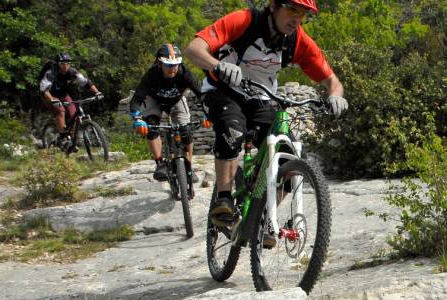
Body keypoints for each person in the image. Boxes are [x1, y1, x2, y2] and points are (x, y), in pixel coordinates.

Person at [185, 0, 347, 237]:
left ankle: (261, 219)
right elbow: (193, 50)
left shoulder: (297, 40)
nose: (296, 19)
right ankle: (224, 199)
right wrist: (218, 66)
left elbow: (332, 81)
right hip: (222, 91)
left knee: (291, 165)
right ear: (273, 6)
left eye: (302, 14)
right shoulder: (244, 21)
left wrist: (335, 97)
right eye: (292, 10)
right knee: (233, 131)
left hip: (260, 97)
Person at [130, 44, 206, 182]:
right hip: (154, 100)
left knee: (186, 131)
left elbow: (202, 95)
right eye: (169, 65)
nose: (173, 68)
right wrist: (137, 118)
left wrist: (209, 113)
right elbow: (136, 99)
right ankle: (160, 164)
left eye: (176, 64)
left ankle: (189, 167)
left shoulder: (185, 74)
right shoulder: (151, 75)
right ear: (159, 64)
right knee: (151, 127)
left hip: (176, 100)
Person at [40, 53, 102, 147]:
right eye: (62, 63)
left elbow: (85, 82)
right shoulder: (51, 73)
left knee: (74, 115)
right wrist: (52, 100)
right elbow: (44, 89)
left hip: (63, 95)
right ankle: (63, 138)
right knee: (61, 111)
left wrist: (97, 92)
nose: (65, 66)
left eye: (68, 63)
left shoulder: (72, 72)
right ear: (58, 64)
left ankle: (71, 140)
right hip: (49, 95)